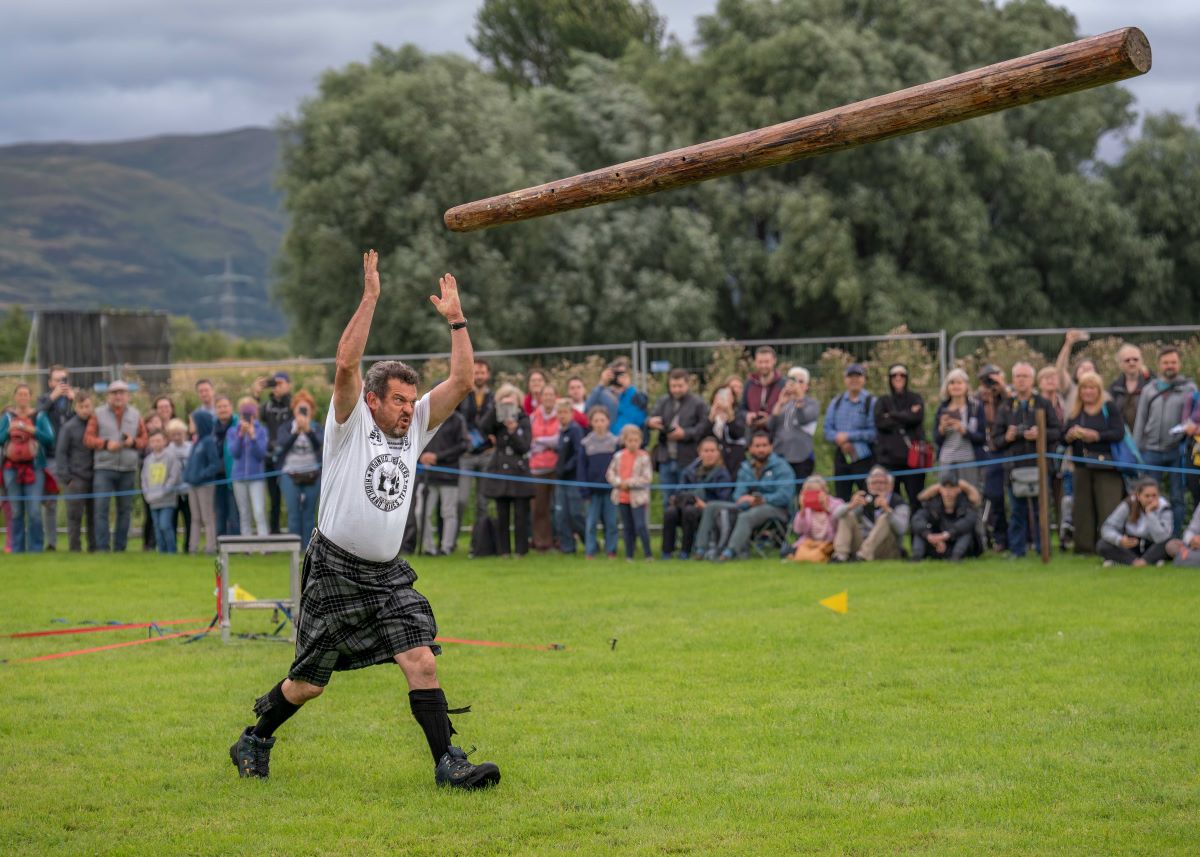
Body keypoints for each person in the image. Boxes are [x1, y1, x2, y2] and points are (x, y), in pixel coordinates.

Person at [230, 252, 500, 790]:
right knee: (308, 683)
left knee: (421, 660)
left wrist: (457, 320)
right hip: (334, 567)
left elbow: (462, 381)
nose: (407, 408)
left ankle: (449, 764)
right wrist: (371, 296)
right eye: (397, 400)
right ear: (373, 401)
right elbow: (347, 365)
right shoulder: (349, 423)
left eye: (410, 399)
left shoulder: (416, 425)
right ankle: (255, 738)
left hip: (387, 573)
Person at [992, 362, 1061, 558]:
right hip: (1015, 467)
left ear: (1032, 380)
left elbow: (1057, 431)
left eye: (1025, 376)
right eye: (1017, 377)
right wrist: (1008, 436)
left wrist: (1040, 434)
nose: (1021, 380)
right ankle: (1017, 550)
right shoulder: (1006, 406)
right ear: (1013, 380)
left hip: (1039, 466)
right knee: (1016, 511)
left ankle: (1043, 548)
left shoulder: (1043, 403)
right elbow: (995, 440)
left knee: (1041, 510)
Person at [694, 430, 794, 562]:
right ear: (750, 448)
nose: (761, 449)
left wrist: (761, 499)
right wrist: (748, 502)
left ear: (771, 447)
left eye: (764, 445)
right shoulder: (746, 468)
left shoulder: (782, 467)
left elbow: (785, 496)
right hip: (750, 506)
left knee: (746, 516)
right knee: (711, 506)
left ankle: (730, 552)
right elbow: (738, 495)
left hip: (776, 509)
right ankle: (700, 550)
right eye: (757, 446)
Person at [1132, 347, 1196, 538]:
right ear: (1159, 365)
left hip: (1178, 450)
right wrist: (1137, 450)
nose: (1170, 366)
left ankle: (1174, 540)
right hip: (1151, 451)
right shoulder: (1150, 389)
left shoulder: (1189, 389)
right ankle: (1149, 538)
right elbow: (1140, 420)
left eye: (1173, 362)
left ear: (1179, 364)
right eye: (1166, 362)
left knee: (1177, 498)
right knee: (1148, 497)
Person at [1062, 372, 1126, 555]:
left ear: (1099, 390)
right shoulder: (1075, 412)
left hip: (1106, 466)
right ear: (1079, 391)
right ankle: (1084, 548)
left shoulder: (1108, 408)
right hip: (1081, 467)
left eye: (1092, 388)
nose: (1088, 392)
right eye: (1084, 388)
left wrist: (1096, 436)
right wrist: (1069, 436)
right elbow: (1062, 439)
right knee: (1082, 509)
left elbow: (1118, 433)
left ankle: (1108, 546)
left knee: (1108, 507)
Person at [84, 380, 147, 552]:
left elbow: (144, 440)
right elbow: (88, 439)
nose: (118, 396)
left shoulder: (136, 415)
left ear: (127, 396)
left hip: (128, 468)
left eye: (122, 393)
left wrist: (132, 442)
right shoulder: (97, 414)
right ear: (108, 395)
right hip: (104, 468)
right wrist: (105, 444)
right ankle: (103, 547)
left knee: (124, 511)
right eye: (114, 393)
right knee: (101, 509)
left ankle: (120, 547)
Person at [479, 383, 533, 558]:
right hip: (500, 471)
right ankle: (504, 551)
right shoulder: (497, 422)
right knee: (502, 513)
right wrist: (496, 409)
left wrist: (513, 430)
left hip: (519, 472)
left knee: (520, 514)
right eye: (505, 402)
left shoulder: (524, 420)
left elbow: (524, 446)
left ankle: (521, 550)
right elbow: (483, 427)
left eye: (512, 402)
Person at [1, 383, 56, 552]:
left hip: (34, 468)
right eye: (20, 394)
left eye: (26, 395)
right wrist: (8, 431)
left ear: (30, 397)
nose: (23, 398)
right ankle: (17, 548)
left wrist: (33, 430)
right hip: (11, 469)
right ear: (15, 397)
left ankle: (35, 548)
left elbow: (50, 439)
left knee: (33, 511)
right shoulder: (8, 418)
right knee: (16, 511)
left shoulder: (39, 416)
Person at [647, 368, 708, 509]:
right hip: (665, 458)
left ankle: (688, 531)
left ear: (687, 385)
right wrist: (650, 422)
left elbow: (703, 427)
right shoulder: (663, 401)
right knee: (667, 501)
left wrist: (685, 433)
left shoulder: (698, 403)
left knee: (687, 499)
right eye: (673, 386)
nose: (676, 390)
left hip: (687, 459)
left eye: (680, 386)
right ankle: (669, 531)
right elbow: (651, 418)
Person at [662, 436, 731, 560]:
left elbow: (724, 499)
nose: (709, 454)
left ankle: (685, 551)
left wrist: (704, 504)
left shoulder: (722, 474)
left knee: (690, 512)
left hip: (707, 510)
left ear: (718, 453)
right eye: (706, 450)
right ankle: (667, 551)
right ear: (699, 452)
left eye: (712, 450)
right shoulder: (689, 471)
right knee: (670, 512)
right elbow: (679, 490)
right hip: (685, 506)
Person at [831, 465, 910, 563]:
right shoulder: (864, 501)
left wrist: (888, 510)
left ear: (890, 486)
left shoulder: (898, 502)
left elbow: (902, 529)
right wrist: (850, 506)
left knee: (885, 517)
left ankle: (863, 555)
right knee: (847, 515)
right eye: (874, 483)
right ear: (868, 486)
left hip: (887, 548)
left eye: (882, 483)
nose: (878, 486)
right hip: (862, 544)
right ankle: (840, 556)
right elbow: (835, 516)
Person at [276, 391, 324, 552]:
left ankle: (308, 550)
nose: (303, 413)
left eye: (306, 409)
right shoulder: (286, 427)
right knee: (294, 513)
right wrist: (296, 432)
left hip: (313, 475)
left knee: (309, 514)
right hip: (290, 474)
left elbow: (320, 445)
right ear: (294, 410)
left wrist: (308, 431)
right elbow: (282, 444)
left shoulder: (317, 428)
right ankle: (294, 550)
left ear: (311, 410)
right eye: (299, 409)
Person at [874, 363, 927, 507]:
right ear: (889, 379)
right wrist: (906, 415)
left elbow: (917, 417)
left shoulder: (915, 397)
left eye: (902, 375)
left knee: (916, 501)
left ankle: (918, 529)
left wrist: (891, 415)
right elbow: (880, 422)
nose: (898, 378)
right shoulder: (883, 400)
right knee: (892, 502)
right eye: (894, 375)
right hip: (890, 461)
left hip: (913, 460)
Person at [416, 401, 465, 556]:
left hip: (448, 474)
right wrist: (421, 457)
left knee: (448, 513)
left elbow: (464, 444)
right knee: (420, 512)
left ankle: (446, 547)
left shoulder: (458, 420)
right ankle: (429, 547)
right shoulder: (424, 418)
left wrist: (438, 457)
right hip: (427, 475)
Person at [823, 363, 876, 501]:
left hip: (864, 457)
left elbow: (874, 432)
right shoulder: (836, 402)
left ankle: (868, 521)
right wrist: (839, 439)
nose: (854, 380)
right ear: (845, 380)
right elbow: (827, 430)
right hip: (842, 456)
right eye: (850, 376)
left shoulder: (871, 402)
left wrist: (848, 437)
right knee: (841, 497)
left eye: (858, 376)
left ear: (864, 379)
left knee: (868, 496)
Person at [38, 365, 75, 551]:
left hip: (70, 459)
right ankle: (51, 543)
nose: (62, 384)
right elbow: (38, 415)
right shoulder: (44, 400)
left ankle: (73, 543)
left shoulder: (71, 401)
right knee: (50, 503)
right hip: (51, 457)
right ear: (50, 382)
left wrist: (73, 402)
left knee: (72, 502)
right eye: (58, 380)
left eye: (64, 380)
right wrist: (52, 398)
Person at [253, 371, 294, 534]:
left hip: (289, 457)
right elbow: (254, 418)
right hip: (270, 458)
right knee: (274, 498)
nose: (277, 387)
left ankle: (294, 533)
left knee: (291, 498)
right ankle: (275, 532)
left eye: (281, 383)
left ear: (289, 385)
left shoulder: (293, 404)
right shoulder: (267, 406)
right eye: (274, 383)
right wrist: (256, 395)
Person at [1098, 477, 1172, 567]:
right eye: (1147, 496)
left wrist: (1150, 513)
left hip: (1152, 545)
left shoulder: (1164, 507)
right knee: (1103, 544)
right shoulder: (1128, 504)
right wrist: (1120, 540)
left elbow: (1161, 538)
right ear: (1138, 495)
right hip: (1131, 545)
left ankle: (1140, 561)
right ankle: (1136, 561)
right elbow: (1107, 528)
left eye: (1154, 495)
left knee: (1168, 544)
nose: (1151, 499)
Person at [975, 364, 1010, 551]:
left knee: (1013, 495)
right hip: (986, 452)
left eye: (993, 379)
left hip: (1006, 450)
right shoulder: (977, 399)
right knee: (992, 495)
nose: (990, 384)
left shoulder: (1007, 397)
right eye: (986, 380)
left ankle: (1013, 537)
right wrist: (985, 400)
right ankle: (998, 536)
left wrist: (1002, 388)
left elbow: (1014, 405)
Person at [55, 391, 96, 552]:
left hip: (94, 476)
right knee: (74, 516)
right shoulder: (69, 427)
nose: (85, 410)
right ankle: (75, 548)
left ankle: (94, 547)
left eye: (88, 406)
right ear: (76, 407)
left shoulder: (95, 425)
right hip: (75, 478)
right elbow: (61, 453)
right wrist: (67, 478)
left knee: (93, 515)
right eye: (82, 407)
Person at [456, 358, 494, 528]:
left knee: (483, 501)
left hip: (487, 454)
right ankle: (451, 540)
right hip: (466, 454)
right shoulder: (462, 395)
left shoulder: (494, 398)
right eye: (476, 372)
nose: (479, 376)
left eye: (482, 372)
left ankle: (479, 542)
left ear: (488, 375)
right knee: (461, 500)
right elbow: (454, 419)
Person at [933, 369, 986, 490]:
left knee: (970, 495)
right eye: (952, 383)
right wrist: (942, 429)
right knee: (947, 496)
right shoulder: (941, 408)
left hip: (969, 460)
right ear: (947, 387)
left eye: (959, 382)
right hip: (946, 460)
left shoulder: (976, 407)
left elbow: (982, 437)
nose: (955, 386)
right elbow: (935, 438)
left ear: (966, 386)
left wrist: (963, 430)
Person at [607, 424, 653, 561]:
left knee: (640, 525)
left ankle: (648, 554)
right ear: (624, 441)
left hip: (638, 498)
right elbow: (610, 473)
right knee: (627, 527)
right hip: (622, 497)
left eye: (636, 440)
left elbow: (647, 477)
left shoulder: (644, 457)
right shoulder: (618, 456)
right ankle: (629, 555)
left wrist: (629, 483)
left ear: (640, 441)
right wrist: (618, 482)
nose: (633, 443)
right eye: (630, 440)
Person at [578, 406, 619, 559]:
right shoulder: (586, 443)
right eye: (596, 420)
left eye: (602, 420)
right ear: (591, 423)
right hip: (592, 492)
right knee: (591, 523)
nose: (599, 423)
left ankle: (611, 550)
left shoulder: (615, 442)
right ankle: (590, 550)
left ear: (608, 422)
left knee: (611, 522)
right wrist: (584, 490)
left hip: (610, 491)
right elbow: (581, 469)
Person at [910, 476, 980, 562]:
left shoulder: (967, 505)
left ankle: (956, 557)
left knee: (967, 532)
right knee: (920, 531)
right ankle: (916, 557)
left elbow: (968, 522)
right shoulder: (932, 505)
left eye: (951, 488)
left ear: (958, 489)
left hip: (955, 541)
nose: (948, 492)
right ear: (940, 490)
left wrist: (946, 535)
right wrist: (929, 536)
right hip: (936, 544)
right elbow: (917, 519)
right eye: (945, 488)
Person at [227, 397, 270, 537]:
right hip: (238, 477)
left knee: (259, 511)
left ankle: (264, 543)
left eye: (249, 414)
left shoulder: (261, 430)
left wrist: (252, 436)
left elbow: (261, 454)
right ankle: (246, 544)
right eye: (244, 413)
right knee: (244, 512)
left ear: (254, 414)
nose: (247, 417)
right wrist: (240, 435)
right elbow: (234, 453)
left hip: (256, 477)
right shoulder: (233, 431)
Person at [768, 366, 820, 480]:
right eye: (793, 380)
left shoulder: (812, 404)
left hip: (801, 456)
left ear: (806, 386)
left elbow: (803, 419)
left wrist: (799, 398)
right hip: (780, 455)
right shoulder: (783, 403)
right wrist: (779, 403)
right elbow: (770, 426)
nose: (796, 384)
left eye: (801, 381)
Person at [184, 410, 223, 554]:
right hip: (192, 484)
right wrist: (187, 476)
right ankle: (192, 547)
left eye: (192, 422)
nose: (190, 425)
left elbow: (215, 464)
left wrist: (202, 475)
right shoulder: (197, 441)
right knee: (195, 517)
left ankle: (210, 546)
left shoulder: (208, 441)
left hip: (205, 485)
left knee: (207, 517)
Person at [528, 384, 560, 552]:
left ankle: (560, 540)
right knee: (539, 508)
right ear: (540, 398)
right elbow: (530, 441)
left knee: (558, 507)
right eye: (545, 395)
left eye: (551, 394)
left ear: (556, 397)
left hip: (556, 467)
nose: (548, 398)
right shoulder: (533, 417)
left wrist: (541, 441)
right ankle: (542, 543)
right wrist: (548, 443)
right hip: (537, 469)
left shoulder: (561, 415)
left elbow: (559, 440)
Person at [552, 398, 587, 553]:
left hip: (573, 479)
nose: (562, 416)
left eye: (565, 412)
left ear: (571, 413)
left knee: (575, 514)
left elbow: (579, 453)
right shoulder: (561, 431)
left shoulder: (575, 430)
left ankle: (590, 542)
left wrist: (567, 467)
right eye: (559, 412)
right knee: (561, 516)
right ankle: (568, 547)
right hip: (561, 479)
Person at [784, 474, 843, 563]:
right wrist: (802, 510)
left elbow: (839, 528)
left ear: (825, 491)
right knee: (785, 552)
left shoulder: (836, 504)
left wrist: (826, 509)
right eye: (809, 493)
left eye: (816, 493)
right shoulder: (806, 510)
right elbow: (798, 530)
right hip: (811, 542)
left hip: (830, 543)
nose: (813, 497)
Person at [141, 430, 182, 553]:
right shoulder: (148, 460)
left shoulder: (171, 457)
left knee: (165, 525)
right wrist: (147, 494)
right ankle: (162, 551)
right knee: (157, 527)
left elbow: (174, 476)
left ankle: (171, 550)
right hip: (152, 500)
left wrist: (164, 491)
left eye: (158, 440)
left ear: (165, 441)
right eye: (153, 441)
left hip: (167, 499)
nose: (156, 443)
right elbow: (144, 478)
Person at [585, 360, 646, 434]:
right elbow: (588, 407)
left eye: (622, 374)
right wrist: (602, 382)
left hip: (627, 438)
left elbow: (640, 415)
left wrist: (628, 388)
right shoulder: (603, 393)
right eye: (616, 373)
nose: (618, 377)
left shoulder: (633, 394)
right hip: (607, 437)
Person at [212, 396, 241, 537]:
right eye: (219, 407)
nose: (223, 409)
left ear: (231, 408)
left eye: (225, 406)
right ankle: (221, 543)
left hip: (234, 474)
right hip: (217, 476)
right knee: (219, 511)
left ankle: (235, 543)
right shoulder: (212, 427)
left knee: (234, 511)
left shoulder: (238, 425)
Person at [1109, 343, 1152, 430]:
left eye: (1135, 359)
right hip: (1123, 437)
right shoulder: (1114, 388)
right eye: (1127, 360)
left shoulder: (1152, 384)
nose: (1131, 363)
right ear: (1120, 363)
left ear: (1141, 361)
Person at [742, 345, 785, 433]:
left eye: (767, 362)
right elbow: (741, 408)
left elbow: (788, 410)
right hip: (753, 432)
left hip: (776, 432)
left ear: (774, 361)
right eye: (760, 362)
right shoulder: (749, 383)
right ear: (755, 362)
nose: (763, 365)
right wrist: (747, 415)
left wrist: (770, 419)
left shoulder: (783, 384)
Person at [165, 418, 193, 551]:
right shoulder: (167, 450)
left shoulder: (191, 447)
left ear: (185, 434)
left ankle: (188, 546)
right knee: (172, 520)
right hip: (173, 492)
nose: (177, 437)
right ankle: (172, 546)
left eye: (179, 434)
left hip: (188, 490)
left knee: (189, 520)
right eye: (174, 434)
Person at [706, 386, 746, 476]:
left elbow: (738, 434)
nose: (723, 398)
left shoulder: (739, 414)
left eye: (728, 395)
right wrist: (711, 416)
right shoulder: (707, 413)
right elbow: (704, 436)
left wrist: (729, 414)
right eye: (720, 395)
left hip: (734, 461)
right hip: (713, 460)